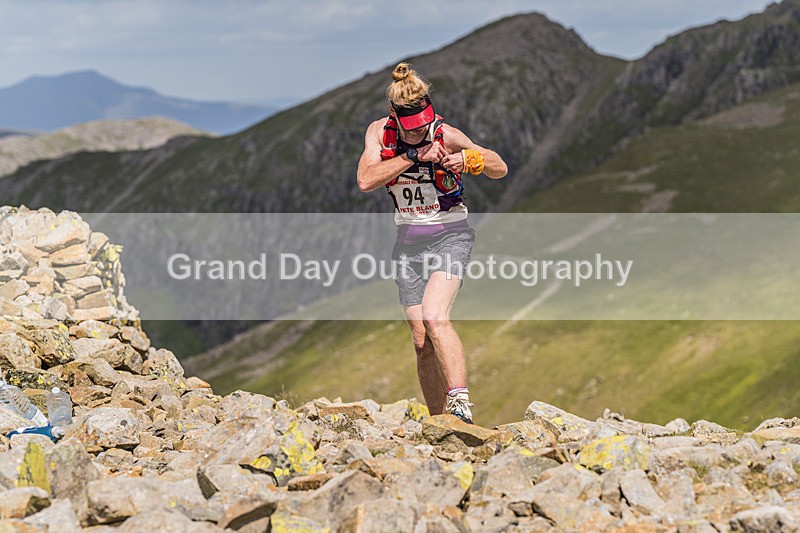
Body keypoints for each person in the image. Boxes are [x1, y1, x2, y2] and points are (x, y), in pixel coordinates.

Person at [357, 62, 507, 424]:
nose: (421, 131)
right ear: (394, 115)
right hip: (407, 245)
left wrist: (467, 160)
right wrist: (410, 157)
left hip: (451, 237)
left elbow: (499, 166)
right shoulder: (380, 135)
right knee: (421, 340)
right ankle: (440, 422)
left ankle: (460, 404)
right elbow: (366, 180)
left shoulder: (446, 133)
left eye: (425, 123)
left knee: (435, 316)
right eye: (414, 128)